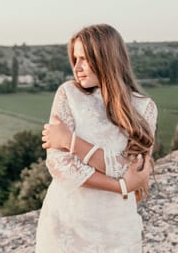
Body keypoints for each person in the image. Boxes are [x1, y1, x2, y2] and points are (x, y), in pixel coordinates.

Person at [35, 24, 158, 253]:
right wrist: (120, 185)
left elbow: (133, 170)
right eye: (75, 59)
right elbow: (59, 165)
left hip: (117, 226)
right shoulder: (68, 95)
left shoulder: (144, 108)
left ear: (106, 59)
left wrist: (71, 142)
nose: (77, 67)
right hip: (67, 223)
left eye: (85, 59)